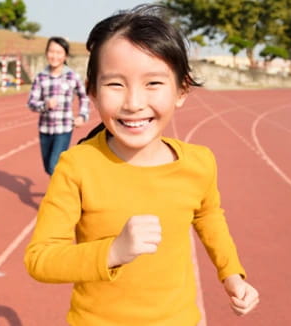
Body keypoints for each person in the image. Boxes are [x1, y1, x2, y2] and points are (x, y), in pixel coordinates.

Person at [24, 4, 259, 326]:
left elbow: (208, 214)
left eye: (153, 83)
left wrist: (231, 273)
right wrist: (113, 252)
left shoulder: (199, 162)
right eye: (115, 84)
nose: (134, 103)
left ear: (182, 90)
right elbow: (41, 259)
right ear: (92, 91)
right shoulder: (77, 166)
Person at [27, 36, 90, 175]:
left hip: (64, 128)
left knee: (53, 165)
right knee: (48, 167)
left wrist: (82, 116)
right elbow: (31, 103)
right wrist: (45, 104)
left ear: (65, 55)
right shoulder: (41, 77)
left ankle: (59, 194)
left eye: (59, 52)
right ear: (46, 53)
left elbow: (84, 96)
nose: (54, 56)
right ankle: (63, 188)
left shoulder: (72, 76)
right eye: (51, 51)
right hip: (45, 128)